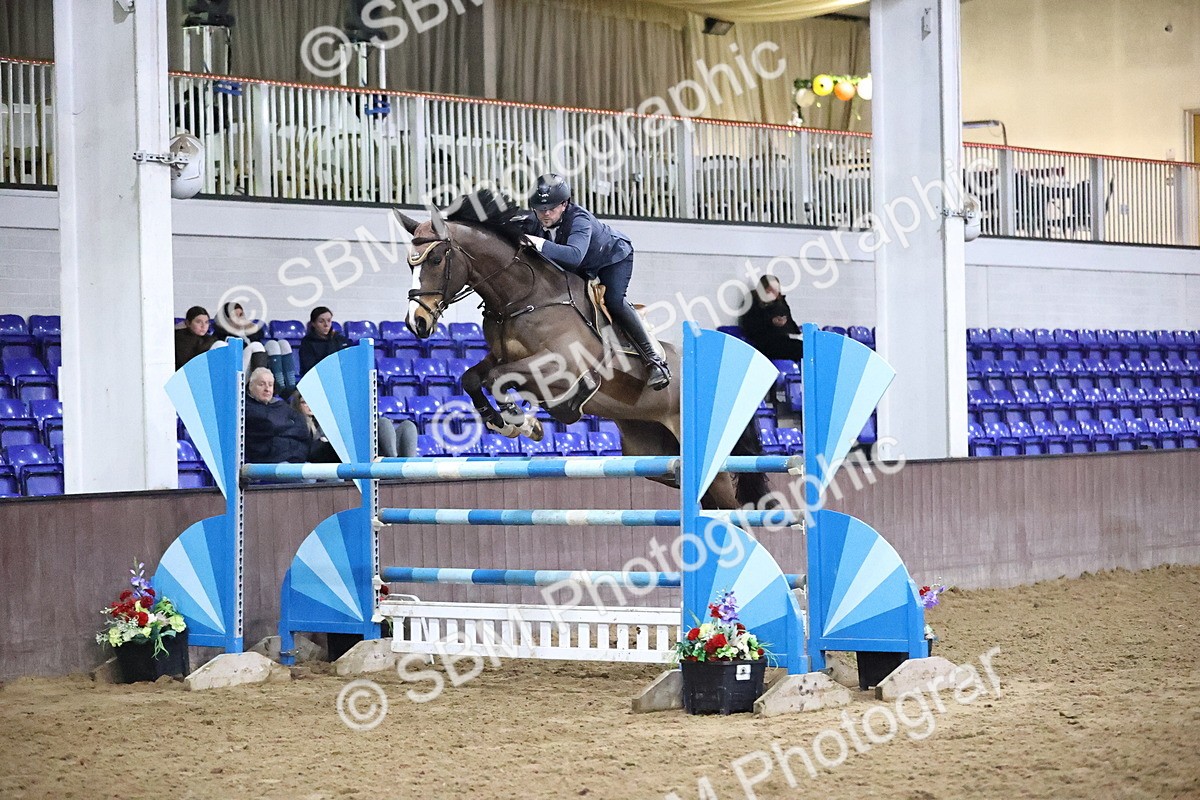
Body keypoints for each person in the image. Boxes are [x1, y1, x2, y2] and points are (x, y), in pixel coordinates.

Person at [515, 174, 670, 391]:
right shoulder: (533, 220)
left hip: (611, 258)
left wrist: (538, 243)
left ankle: (654, 361)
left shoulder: (580, 219)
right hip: (583, 265)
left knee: (614, 301)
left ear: (564, 204)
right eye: (540, 209)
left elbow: (573, 256)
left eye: (551, 208)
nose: (546, 214)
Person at [291, 391, 419, 459]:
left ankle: (406, 465)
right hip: (342, 459)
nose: (309, 406)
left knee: (407, 425)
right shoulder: (298, 424)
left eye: (311, 402)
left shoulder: (327, 420)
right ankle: (393, 462)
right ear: (297, 404)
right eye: (304, 402)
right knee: (382, 422)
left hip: (361, 450)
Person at [244, 367, 314, 464]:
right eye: (261, 384)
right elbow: (268, 427)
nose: (267, 389)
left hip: (297, 459)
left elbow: (303, 429)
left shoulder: (282, 405)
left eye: (270, 385)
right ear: (251, 386)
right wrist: (288, 426)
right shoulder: (247, 408)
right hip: (270, 463)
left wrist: (279, 428)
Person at [739, 275, 804, 362]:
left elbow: (790, 323)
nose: (775, 293)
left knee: (805, 347)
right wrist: (771, 322)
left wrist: (792, 330)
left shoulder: (780, 303)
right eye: (770, 290)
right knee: (798, 349)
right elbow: (751, 326)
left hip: (783, 339)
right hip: (764, 343)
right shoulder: (753, 303)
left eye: (777, 290)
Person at [299, 306, 351, 377]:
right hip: (317, 378)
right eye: (321, 321)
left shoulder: (339, 339)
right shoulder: (307, 342)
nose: (326, 325)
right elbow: (309, 368)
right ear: (313, 324)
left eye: (329, 321)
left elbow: (348, 361)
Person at [174, 305, 215, 370]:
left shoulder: (210, 339)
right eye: (198, 322)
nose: (203, 326)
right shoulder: (180, 338)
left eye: (206, 322)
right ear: (188, 323)